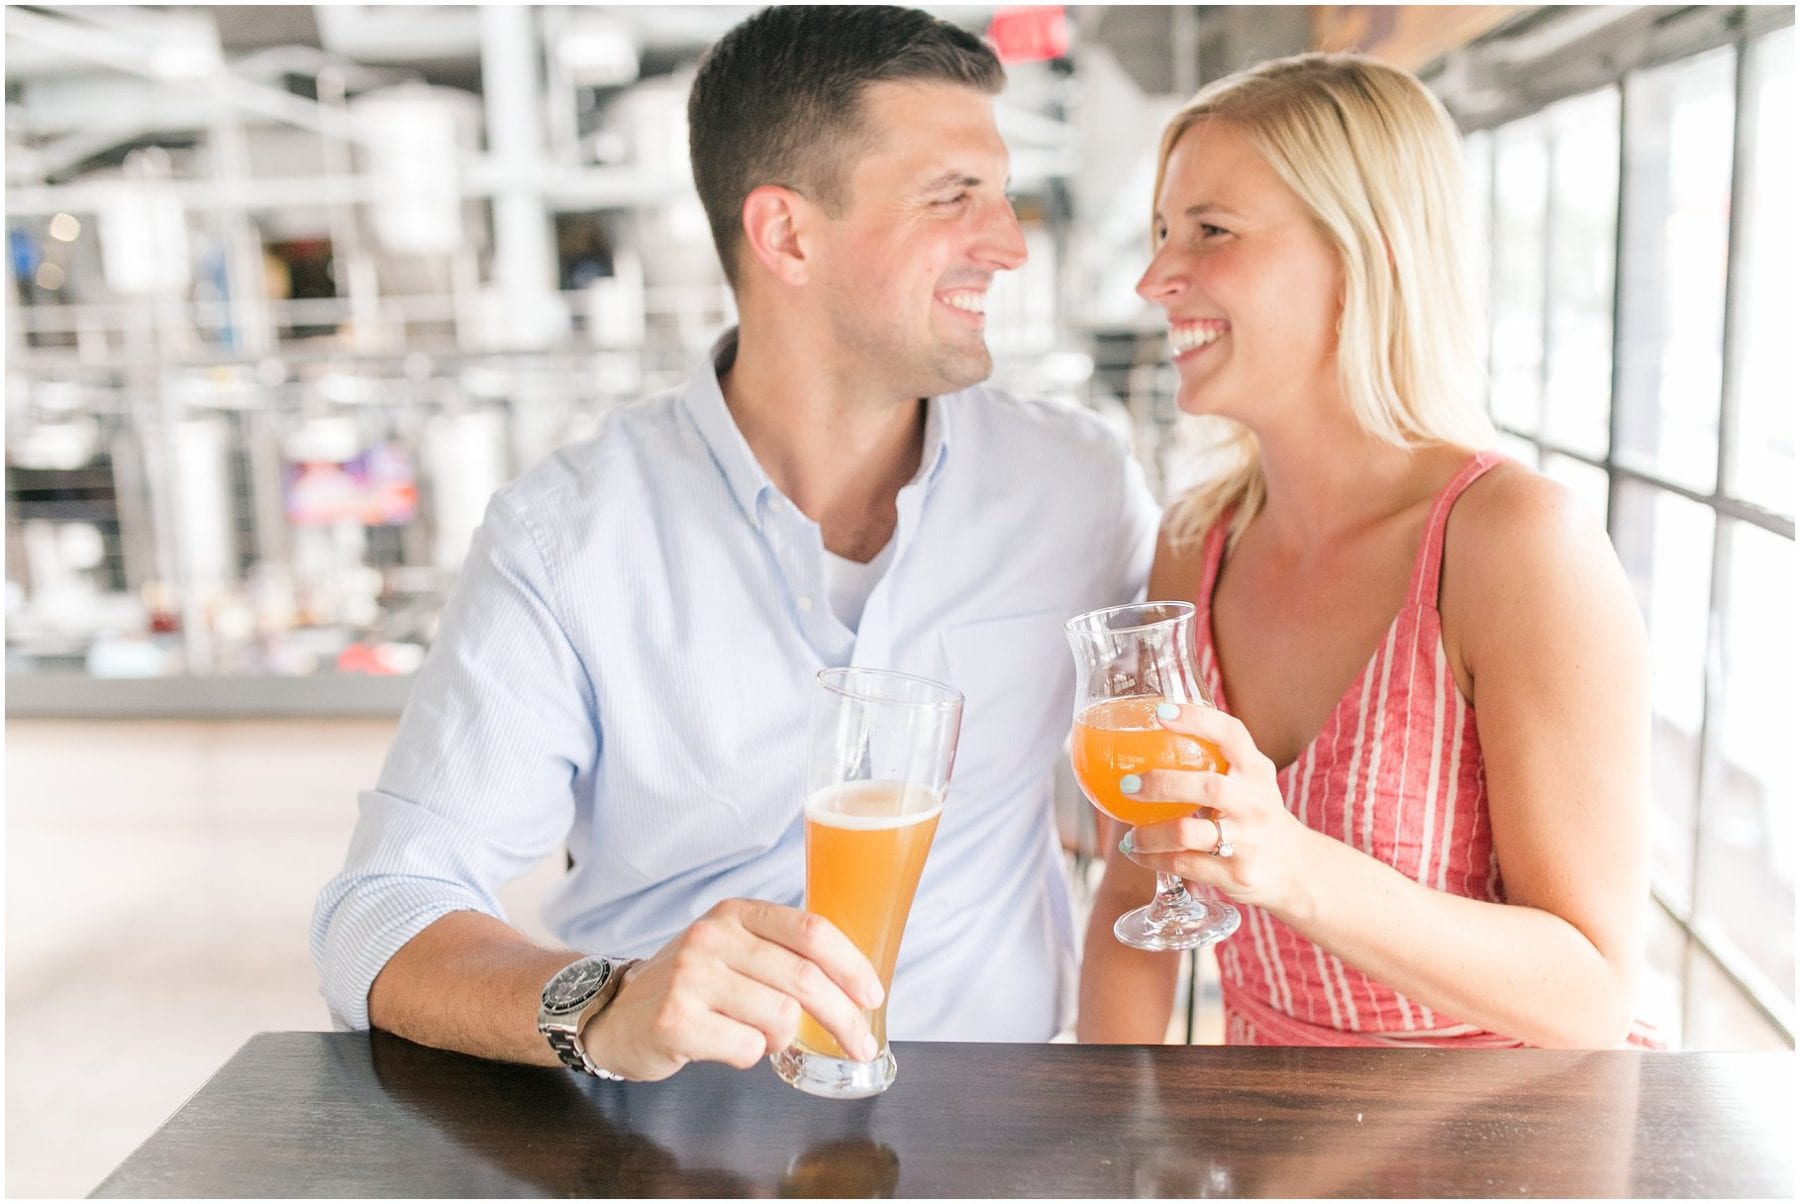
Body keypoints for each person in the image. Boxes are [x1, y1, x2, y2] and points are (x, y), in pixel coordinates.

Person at [312, 5, 1157, 1081]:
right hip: (677, 1143)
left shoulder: (1078, 486)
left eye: (1000, 193)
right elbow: (376, 914)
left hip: (1001, 1133)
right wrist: (607, 1004)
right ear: (787, 234)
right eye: (955, 199)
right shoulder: (570, 535)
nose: (1008, 244)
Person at [1076, 53, 1653, 1048]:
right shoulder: (1195, 544)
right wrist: (1110, 1144)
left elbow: (1591, 993)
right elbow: (1138, 901)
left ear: (1368, 254)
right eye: (1165, 232)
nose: (1154, 278)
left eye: (1211, 232)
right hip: (1270, 1149)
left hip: (1511, 1155)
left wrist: (1293, 866)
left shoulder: (1514, 545)